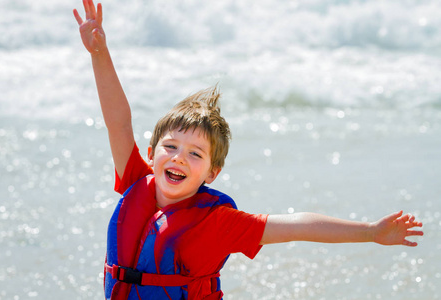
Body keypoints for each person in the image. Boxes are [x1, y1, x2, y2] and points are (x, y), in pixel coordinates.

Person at [73, 1, 424, 299]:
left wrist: (370, 232)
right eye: (170, 146)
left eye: (195, 153)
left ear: (212, 173)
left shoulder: (219, 223)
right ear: (152, 154)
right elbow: (118, 122)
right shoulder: (137, 178)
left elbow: (297, 225)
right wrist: (100, 55)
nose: (179, 156)